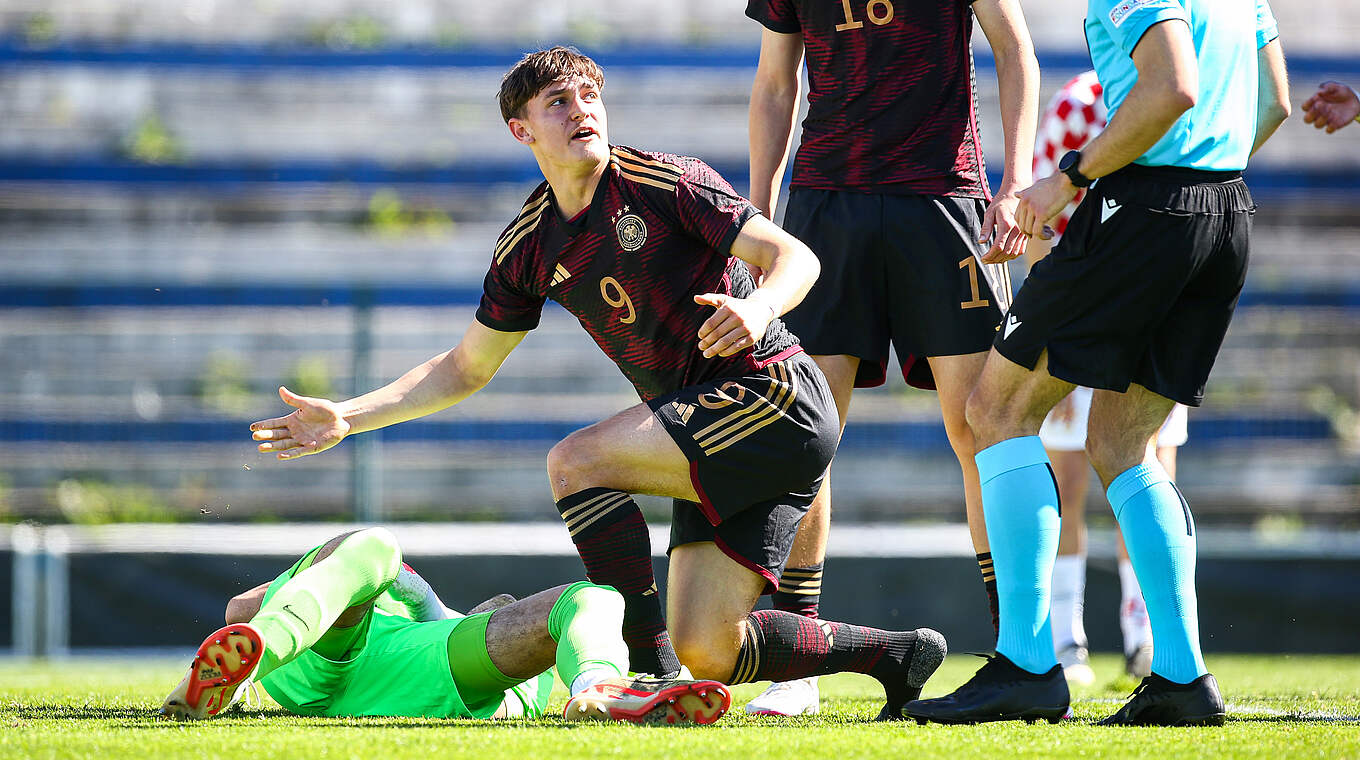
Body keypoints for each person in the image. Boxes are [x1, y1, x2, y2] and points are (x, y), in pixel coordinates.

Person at [248, 47, 946, 720]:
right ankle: (895, 656)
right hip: (703, 426)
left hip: (773, 398)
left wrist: (758, 306)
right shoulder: (528, 244)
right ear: (521, 130)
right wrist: (347, 415)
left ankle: (645, 671)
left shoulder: (663, 180)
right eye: (559, 102)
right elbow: (465, 368)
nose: (583, 110)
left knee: (576, 463)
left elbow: (794, 257)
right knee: (713, 647)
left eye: (590, 96)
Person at [904, 0, 1290, 726]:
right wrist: (1199, 177)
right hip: (1226, 208)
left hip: (1143, 208)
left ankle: (1025, 664)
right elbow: (1272, 102)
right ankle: (1180, 676)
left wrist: (1067, 181)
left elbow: (1171, 84)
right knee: (1121, 443)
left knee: (995, 411)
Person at [744, 0, 1038, 716]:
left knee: (983, 428)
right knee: (805, 436)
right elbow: (776, 83)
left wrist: (1017, 179)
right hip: (825, 204)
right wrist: (756, 214)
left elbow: (1015, 50)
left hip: (945, 201)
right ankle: (799, 661)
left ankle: (1022, 656)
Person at [159, 527, 732, 724]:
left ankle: (602, 685)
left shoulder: (429, 620)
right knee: (594, 598)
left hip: (341, 667)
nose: (498, 605)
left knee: (374, 546)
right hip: (425, 674)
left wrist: (417, 591)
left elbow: (239, 609)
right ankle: (600, 685)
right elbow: (239, 612)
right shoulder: (412, 615)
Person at [1028, 70, 1193, 685]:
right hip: (1080, 315)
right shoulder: (1079, 103)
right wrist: (1050, 330)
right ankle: (1068, 642)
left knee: (1148, 472)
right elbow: (1040, 219)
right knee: (1065, 482)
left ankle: (1148, 637)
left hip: (1155, 312)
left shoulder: (1183, 94)